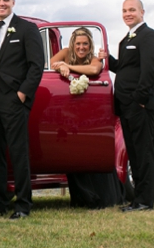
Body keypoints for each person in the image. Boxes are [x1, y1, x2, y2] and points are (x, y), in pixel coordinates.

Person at [0, 0, 43, 219]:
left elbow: (36, 66)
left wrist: (22, 94)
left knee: (18, 152)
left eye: (6, 0)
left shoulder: (28, 29)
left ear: (13, 2)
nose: (1, 3)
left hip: (14, 99)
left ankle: (23, 204)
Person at [100, 0, 154, 212]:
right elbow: (125, 68)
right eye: (125, 10)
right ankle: (138, 198)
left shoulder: (149, 36)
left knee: (144, 152)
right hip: (125, 104)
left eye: (132, 10)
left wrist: (141, 99)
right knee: (134, 152)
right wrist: (107, 58)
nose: (128, 13)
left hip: (139, 105)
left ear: (142, 12)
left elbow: (150, 70)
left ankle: (146, 200)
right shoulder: (127, 38)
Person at [52, 27, 123, 209]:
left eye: (85, 44)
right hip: (69, 110)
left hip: (90, 109)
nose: (81, 47)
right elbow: (52, 63)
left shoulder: (93, 57)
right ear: (72, 44)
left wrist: (69, 67)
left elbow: (94, 68)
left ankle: (102, 196)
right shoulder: (66, 52)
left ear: (90, 44)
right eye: (78, 44)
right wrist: (61, 66)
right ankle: (80, 196)